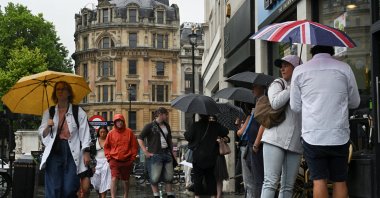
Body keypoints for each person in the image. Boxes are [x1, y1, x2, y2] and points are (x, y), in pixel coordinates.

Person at [290, 46, 360, 198]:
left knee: (319, 181)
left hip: (312, 136)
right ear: (332, 52)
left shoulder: (300, 71)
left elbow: (295, 107)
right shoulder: (344, 68)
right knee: (340, 181)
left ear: (312, 52)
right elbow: (355, 102)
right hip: (339, 135)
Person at [260, 55, 303, 198]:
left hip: (295, 142)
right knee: (270, 182)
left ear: (296, 68)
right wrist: (292, 87)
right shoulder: (278, 83)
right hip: (275, 139)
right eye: (281, 65)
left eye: (286, 65)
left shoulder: (304, 87)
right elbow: (275, 103)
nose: (282, 68)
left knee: (288, 187)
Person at [38, 81, 91, 197]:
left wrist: (86, 152)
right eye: (58, 89)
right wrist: (48, 125)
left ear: (69, 92)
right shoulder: (49, 112)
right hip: (54, 152)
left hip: (72, 152)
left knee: (70, 187)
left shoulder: (78, 112)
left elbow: (85, 132)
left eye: (63, 89)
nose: (60, 91)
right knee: (53, 188)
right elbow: (42, 134)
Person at [184, 114, 229, 198]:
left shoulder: (195, 125)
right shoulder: (215, 125)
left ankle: (197, 196)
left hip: (198, 157)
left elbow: (188, 136)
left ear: (200, 116)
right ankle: (213, 196)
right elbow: (225, 131)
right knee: (211, 179)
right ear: (209, 116)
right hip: (211, 156)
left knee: (198, 179)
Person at [137, 107, 176, 198]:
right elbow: (140, 138)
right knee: (154, 178)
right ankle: (156, 195)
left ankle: (169, 194)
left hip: (167, 153)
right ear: (160, 114)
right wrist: (145, 152)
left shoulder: (167, 125)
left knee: (169, 177)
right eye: (165, 114)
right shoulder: (150, 125)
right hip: (155, 154)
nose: (166, 116)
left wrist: (173, 152)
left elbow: (169, 139)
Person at [104, 114, 139, 198]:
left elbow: (134, 146)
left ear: (123, 122)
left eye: (120, 121)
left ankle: (125, 195)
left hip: (127, 160)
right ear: (115, 123)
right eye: (117, 121)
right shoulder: (111, 133)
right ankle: (113, 197)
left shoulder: (129, 132)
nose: (119, 123)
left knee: (126, 180)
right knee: (114, 178)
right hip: (114, 160)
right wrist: (109, 158)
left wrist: (132, 158)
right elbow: (106, 146)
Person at [91, 126, 111, 198]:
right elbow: (91, 153)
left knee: (104, 180)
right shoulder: (94, 141)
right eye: (101, 132)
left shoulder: (109, 141)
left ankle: (103, 196)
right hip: (96, 162)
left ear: (106, 132)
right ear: (98, 133)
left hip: (106, 161)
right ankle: (100, 194)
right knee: (95, 181)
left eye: (104, 132)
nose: (102, 133)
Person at [212, 116, 230, 198]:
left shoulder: (220, 128)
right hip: (209, 155)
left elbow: (228, 138)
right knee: (211, 178)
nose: (211, 120)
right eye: (210, 118)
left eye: (213, 119)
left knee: (219, 177)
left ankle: (218, 196)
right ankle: (214, 195)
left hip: (218, 155)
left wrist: (223, 139)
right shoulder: (206, 128)